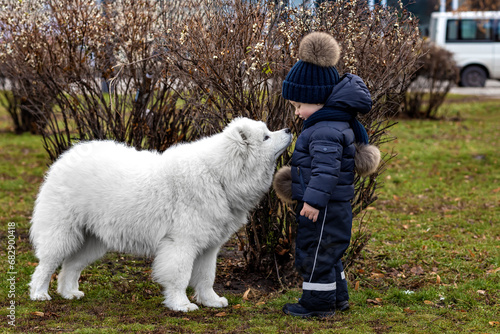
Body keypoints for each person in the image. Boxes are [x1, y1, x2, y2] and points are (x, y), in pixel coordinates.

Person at [274, 32, 381, 318]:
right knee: (329, 253)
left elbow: (326, 171)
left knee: (316, 254)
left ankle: (317, 305)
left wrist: (312, 202)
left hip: (323, 208)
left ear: (318, 100)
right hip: (333, 207)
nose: (296, 113)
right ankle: (338, 298)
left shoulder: (324, 130)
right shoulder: (331, 123)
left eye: (299, 105)